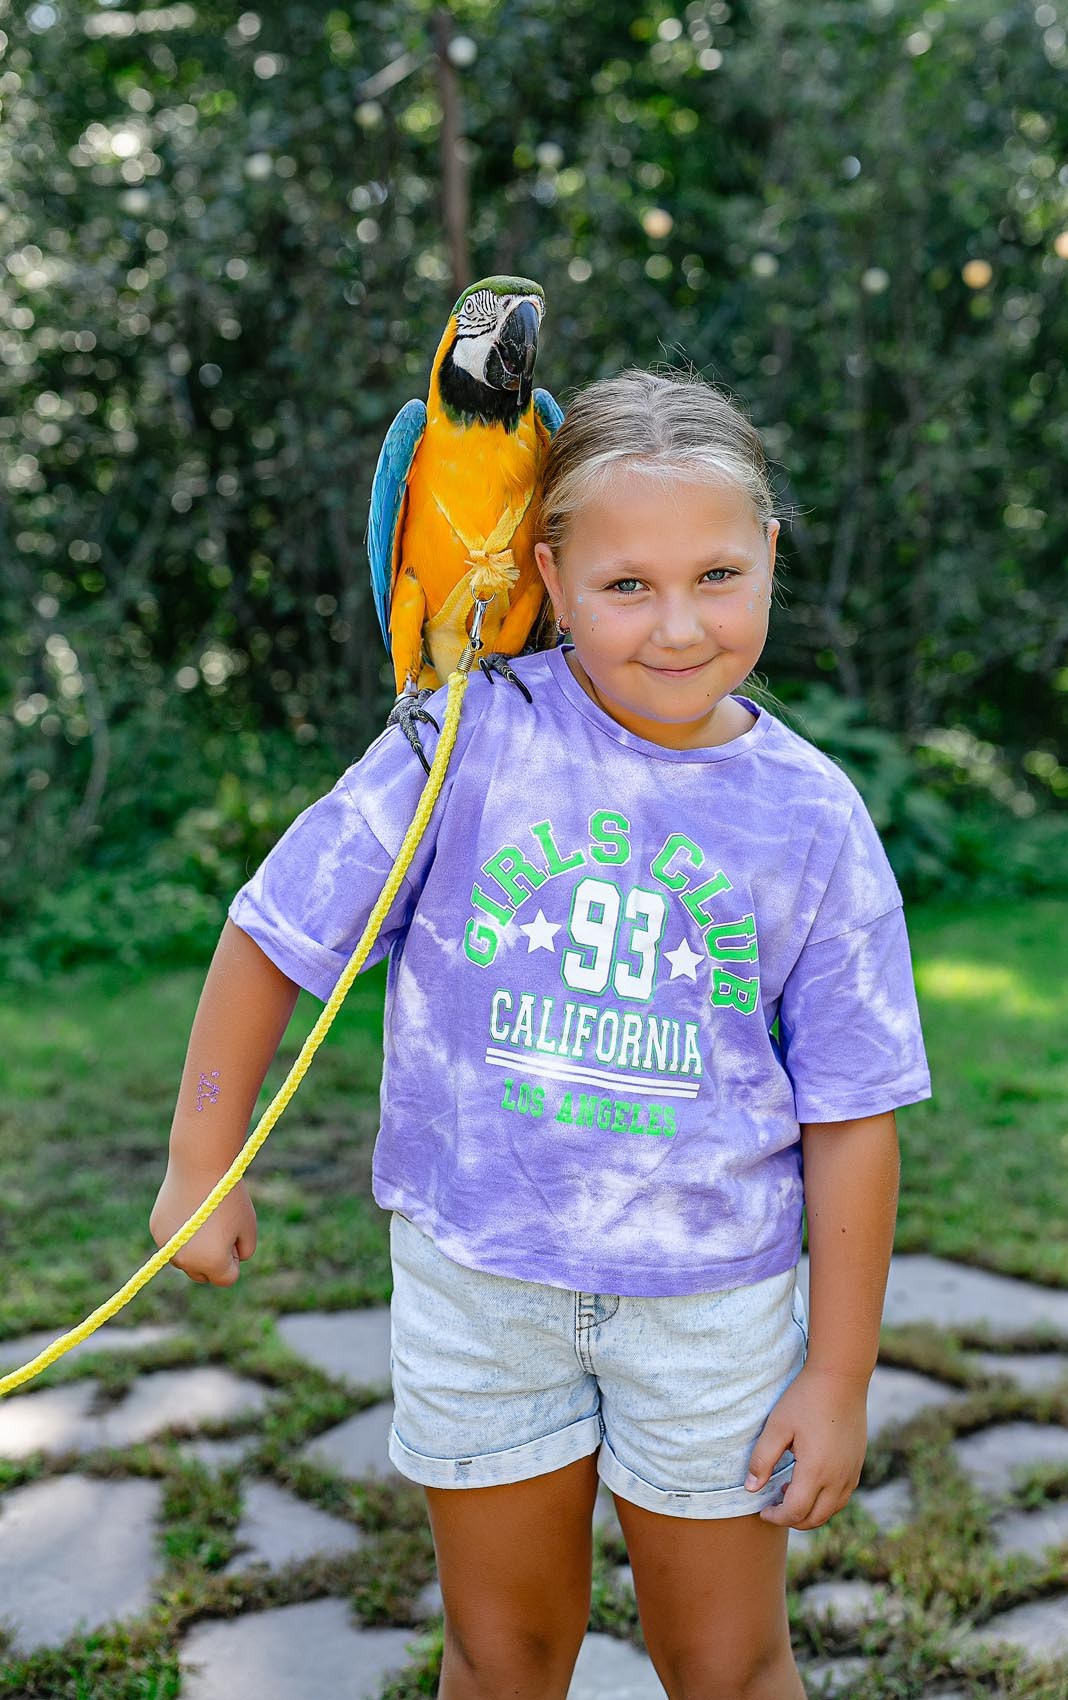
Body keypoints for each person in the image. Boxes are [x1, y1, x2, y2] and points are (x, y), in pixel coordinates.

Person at [150, 369, 931, 1700]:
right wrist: (200, 1159)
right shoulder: (463, 742)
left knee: (728, 1665)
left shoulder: (811, 818)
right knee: (502, 1657)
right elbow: (275, 930)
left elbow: (851, 1113)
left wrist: (838, 1372)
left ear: (770, 561)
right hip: (480, 1290)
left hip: (710, 1315)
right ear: (547, 577)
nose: (677, 626)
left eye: (717, 575)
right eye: (626, 585)